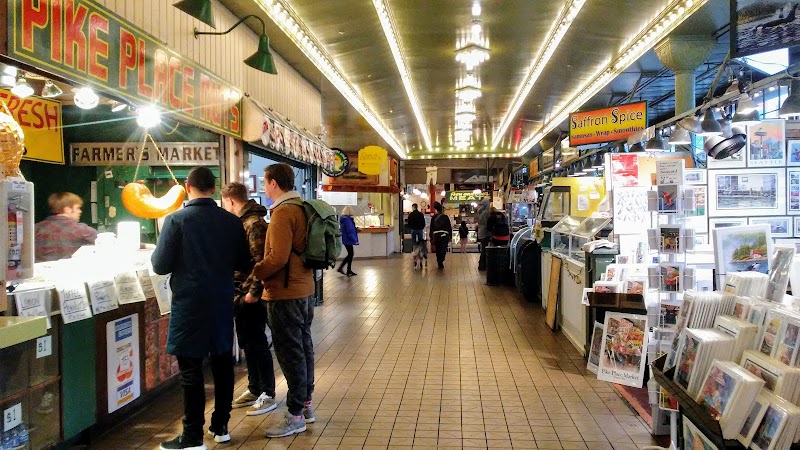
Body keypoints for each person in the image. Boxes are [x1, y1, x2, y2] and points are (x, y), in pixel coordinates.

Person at [151, 168, 252, 450]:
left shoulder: (176, 221)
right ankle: (220, 426)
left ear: (187, 187)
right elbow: (245, 263)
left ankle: (192, 436)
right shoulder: (231, 222)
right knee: (222, 365)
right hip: (221, 301)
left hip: (190, 304)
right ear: (213, 187)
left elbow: (159, 266)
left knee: (191, 370)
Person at [252, 163, 316, 438]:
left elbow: (276, 258)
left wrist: (256, 271)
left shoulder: (282, 213)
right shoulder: (303, 208)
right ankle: (306, 406)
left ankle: (295, 416)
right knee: (304, 347)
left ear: (274, 183)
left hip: (285, 294)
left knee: (291, 355)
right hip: (305, 290)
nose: (265, 188)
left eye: (266, 183)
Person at [220, 182, 277, 417]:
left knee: (256, 342)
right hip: (240, 293)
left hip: (249, 295)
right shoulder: (242, 223)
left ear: (232, 201)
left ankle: (267, 392)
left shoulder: (253, 224)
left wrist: (253, 292)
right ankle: (254, 387)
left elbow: (259, 261)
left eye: (226, 204)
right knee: (248, 341)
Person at [34, 192, 97, 262]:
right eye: (77, 208)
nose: (80, 211)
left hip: (38, 272)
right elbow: (105, 245)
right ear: (67, 209)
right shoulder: (82, 230)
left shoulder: (35, 229)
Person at [430, 202, 452, 269]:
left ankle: (439, 260)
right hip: (444, 235)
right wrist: (450, 236)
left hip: (436, 235)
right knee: (443, 248)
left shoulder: (433, 218)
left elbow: (431, 228)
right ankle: (441, 260)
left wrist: (431, 237)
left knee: (438, 248)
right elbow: (449, 227)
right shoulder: (445, 217)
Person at [338, 206, 358, 276]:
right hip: (349, 239)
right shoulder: (347, 220)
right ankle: (342, 268)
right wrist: (354, 239)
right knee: (350, 254)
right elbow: (350, 230)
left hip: (345, 238)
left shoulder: (343, 219)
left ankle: (348, 269)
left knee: (350, 254)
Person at [476, 200, 491, 270]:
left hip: (481, 232)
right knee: (485, 250)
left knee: (483, 249)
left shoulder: (480, 212)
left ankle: (481, 264)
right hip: (485, 232)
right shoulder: (486, 213)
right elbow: (487, 224)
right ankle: (482, 265)